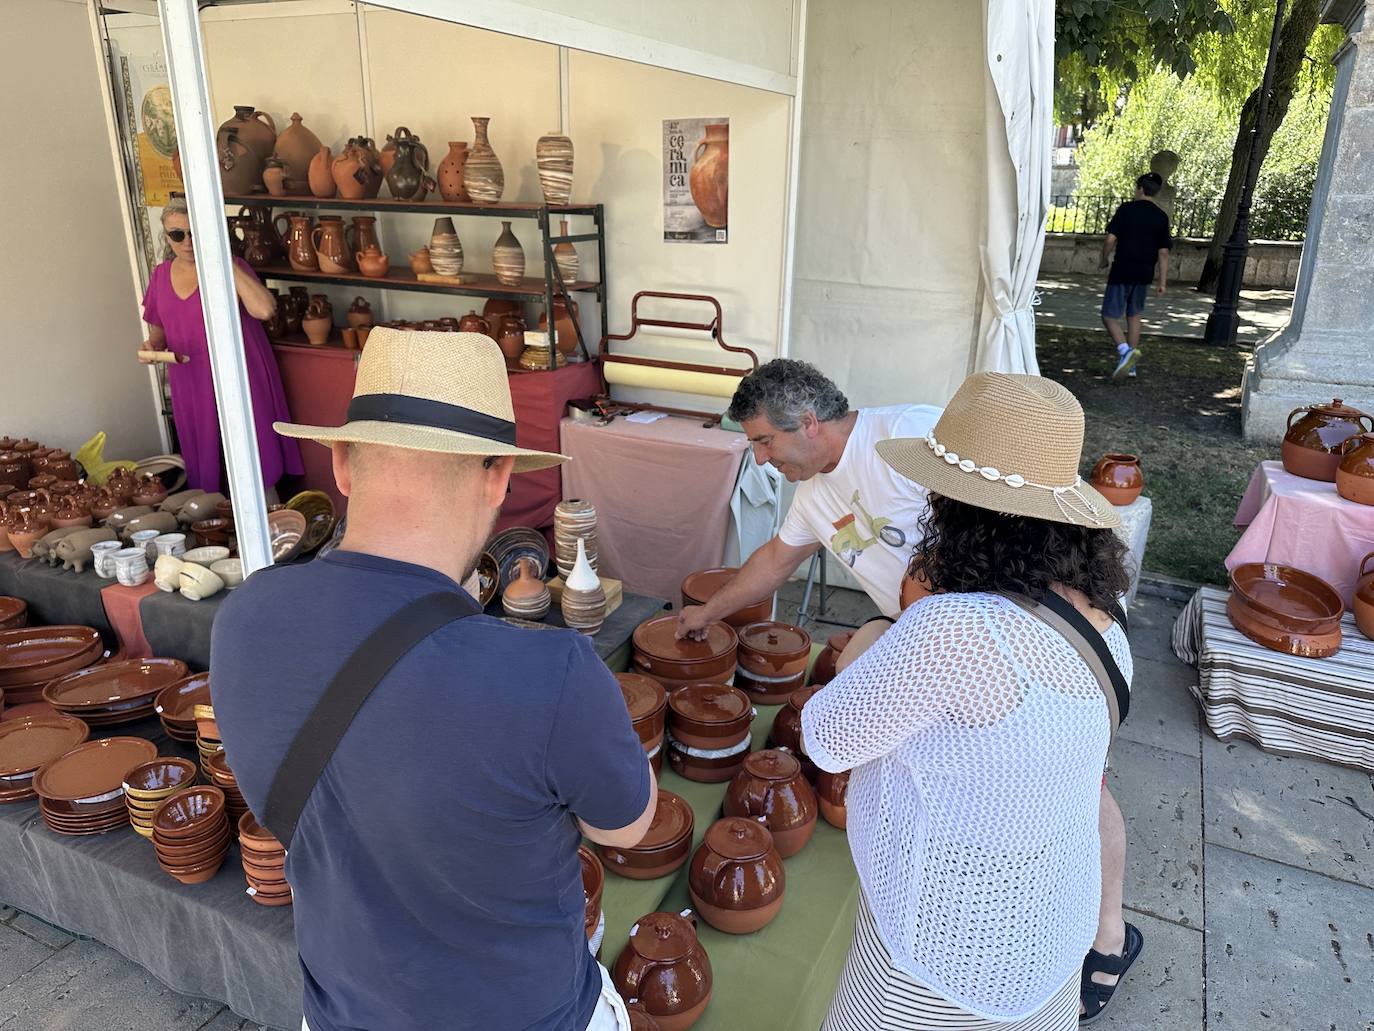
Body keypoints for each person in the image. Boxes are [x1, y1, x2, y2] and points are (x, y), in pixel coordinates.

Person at [212, 329, 656, 1031]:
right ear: (500, 477)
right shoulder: (550, 672)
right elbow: (629, 827)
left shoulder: (241, 622)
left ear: (342, 465)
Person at [803, 372, 1142, 1031]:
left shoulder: (956, 631)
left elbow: (827, 736)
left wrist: (873, 638)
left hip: (940, 954)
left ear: (956, 505)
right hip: (1053, 927)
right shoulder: (1109, 610)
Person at [676, 359, 941, 639]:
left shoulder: (908, 431)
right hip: (915, 632)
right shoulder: (811, 496)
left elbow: (987, 521)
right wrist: (706, 614)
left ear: (808, 422)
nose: (760, 458)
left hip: (970, 629)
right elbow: (774, 562)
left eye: (765, 442)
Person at [138, 197, 303, 494]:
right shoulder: (160, 276)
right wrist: (151, 346)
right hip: (190, 378)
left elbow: (265, 310)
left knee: (253, 450)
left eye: (195, 233)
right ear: (167, 237)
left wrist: (221, 258)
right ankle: (219, 526)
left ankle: (270, 523)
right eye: (178, 235)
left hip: (238, 374)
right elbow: (159, 330)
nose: (187, 242)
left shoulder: (233, 268)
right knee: (206, 456)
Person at [1099, 172, 1172, 381]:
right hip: (1144, 273)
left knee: (1109, 315)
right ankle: (1129, 366)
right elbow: (1164, 252)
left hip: (1122, 269)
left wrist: (1104, 258)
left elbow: (1110, 240)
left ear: (1139, 188)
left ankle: (1125, 352)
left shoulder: (1126, 210)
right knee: (1134, 316)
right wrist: (1162, 282)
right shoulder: (1160, 217)